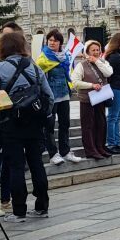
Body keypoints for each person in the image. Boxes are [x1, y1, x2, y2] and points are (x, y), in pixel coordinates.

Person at [0, 31, 53, 225]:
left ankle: (19, 210)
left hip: (11, 125)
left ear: (2, 48)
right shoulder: (34, 66)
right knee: (36, 163)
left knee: (16, 166)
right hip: (34, 122)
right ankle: (42, 206)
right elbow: (47, 95)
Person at [37, 30, 81, 165]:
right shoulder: (43, 58)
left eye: (55, 40)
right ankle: (53, 153)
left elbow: (68, 73)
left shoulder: (65, 57)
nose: (52, 42)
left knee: (65, 123)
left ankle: (65, 151)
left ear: (60, 43)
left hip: (64, 94)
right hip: (50, 97)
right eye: (50, 40)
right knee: (49, 126)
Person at [71, 40, 113, 159]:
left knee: (101, 123)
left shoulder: (104, 62)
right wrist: (91, 85)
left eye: (97, 50)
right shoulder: (81, 65)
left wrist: (97, 61)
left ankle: (100, 147)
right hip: (87, 99)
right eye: (93, 50)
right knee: (88, 125)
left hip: (100, 98)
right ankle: (90, 150)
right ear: (87, 52)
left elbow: (109, 73)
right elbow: (75, 82)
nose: (96, 52)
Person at [102, 33, 120, 155]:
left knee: (117, 117)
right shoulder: (113, 57)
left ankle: (117, 142)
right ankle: (112, 143)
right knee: (113, 117)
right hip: (116, 89)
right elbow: (107, 74)